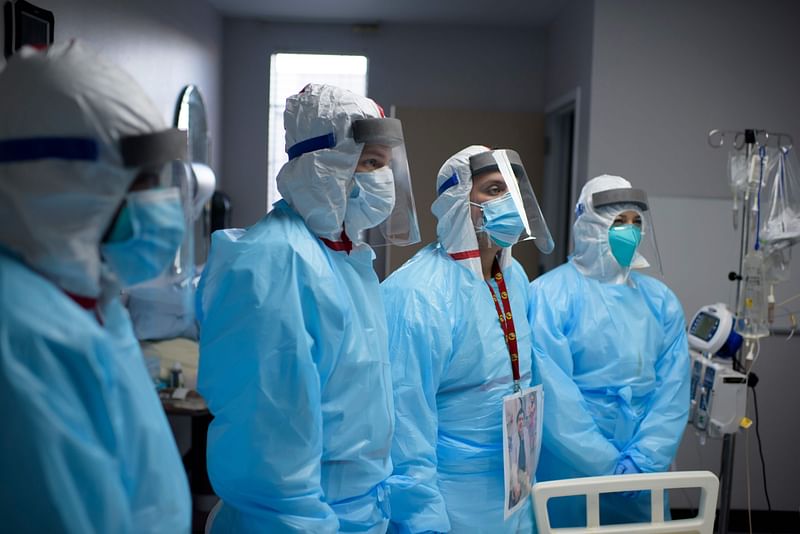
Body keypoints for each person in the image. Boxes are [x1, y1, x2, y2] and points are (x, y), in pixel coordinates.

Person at [196, 83, 420, 533]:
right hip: (298, 520)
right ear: (325, 164)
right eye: (370, 162)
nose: (381, 179)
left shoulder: (347, 258)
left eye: (385, 165)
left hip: (357, 511)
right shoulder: (276, 262)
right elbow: (269, 448)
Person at [0, 41, 191, 532]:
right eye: (145, 180)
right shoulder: (23, 331)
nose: (163, 203)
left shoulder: (88, 297)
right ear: (66, 182)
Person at [382, 145, 553, 533]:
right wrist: (424, 519)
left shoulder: (514, 277)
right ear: (459, 202)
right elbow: (404, 422)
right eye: (494, 190)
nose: (509, 201)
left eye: (512, 190)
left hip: (512, 488)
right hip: (450, 498)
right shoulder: (418, 294)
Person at [528, 174, 690, 527]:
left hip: (642, 466)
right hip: (570, 465)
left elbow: (672, 392)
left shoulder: (660, 301)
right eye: (618, 221)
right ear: (589, 224)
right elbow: (554, 396)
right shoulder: (549, 296)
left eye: (636, 222)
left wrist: (644, 459)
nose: (630, 231)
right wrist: (603, 464)